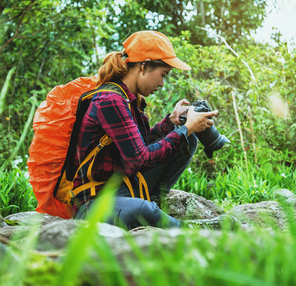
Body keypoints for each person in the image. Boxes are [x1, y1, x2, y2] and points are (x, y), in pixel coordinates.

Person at [71, 30, 218, 230]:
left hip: (125, 189)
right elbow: (140, 158)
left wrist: (172, 122)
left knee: (187, 139)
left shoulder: (131, 100)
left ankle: (153, 203)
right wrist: (185, 127)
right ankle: (191, 230)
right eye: (162, 75)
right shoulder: (110, 100)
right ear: (144, 66)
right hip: (95, 204)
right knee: (141, 210)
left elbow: (139, 145)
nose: (162, 83)